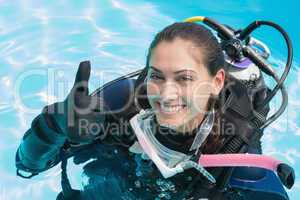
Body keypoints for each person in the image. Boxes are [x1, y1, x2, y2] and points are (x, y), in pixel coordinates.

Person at [15, 22, 292, 200]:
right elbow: (26, 167)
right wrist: (51, 128)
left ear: (217, 82)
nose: (166, 93)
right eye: (157, 76)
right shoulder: (119, 105)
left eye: (184, 78)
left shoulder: (235, 150)